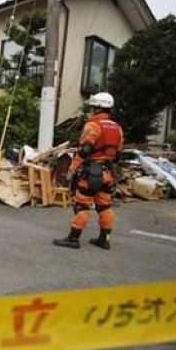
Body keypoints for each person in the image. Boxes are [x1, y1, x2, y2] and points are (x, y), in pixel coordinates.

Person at [54, 92, 124, 250]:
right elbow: (118, 153)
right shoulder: (117, 128)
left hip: (91, 172)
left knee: (82, 206)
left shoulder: (93, 126)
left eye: (93, 107)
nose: (91, 111)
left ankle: (73, 239)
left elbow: (84, 150)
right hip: (107, 173)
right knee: (104, 206)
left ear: (97, 108)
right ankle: (104, 239)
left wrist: (72, 169)